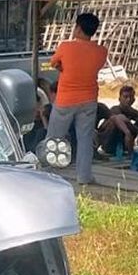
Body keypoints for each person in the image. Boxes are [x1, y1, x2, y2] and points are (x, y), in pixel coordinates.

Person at [47, 12, 108, 184]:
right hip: (89, 99)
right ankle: (84, 176)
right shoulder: (101, 51)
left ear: (79, 28)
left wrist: (64, 68)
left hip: (65, 99)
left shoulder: (66, 47)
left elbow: (54, 63)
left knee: (54, 138)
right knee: (85, 139)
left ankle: (50, 172)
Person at [99, 84, 138, 156]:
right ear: (119, 99)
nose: (128, 100)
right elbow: (123, 121)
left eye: (131, 97)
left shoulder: (131, 111)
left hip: (123, 143)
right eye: (125, 97)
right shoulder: (115, 109)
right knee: (117, 122)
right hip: (109, 143)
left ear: (134, 99)